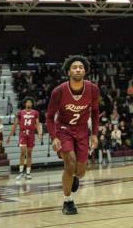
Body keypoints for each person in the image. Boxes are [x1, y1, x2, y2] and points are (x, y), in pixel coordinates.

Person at [46, 55, 101, 216]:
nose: (78, 69)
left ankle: (74, 178)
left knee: (81, 171)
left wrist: (95, 134)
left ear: (85, 71)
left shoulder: (92, 89)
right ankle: (68, 201)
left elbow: (96, 112)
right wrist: (54, 137)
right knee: (69, 163)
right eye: (75, 67)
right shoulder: (59, 91)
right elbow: (49, 116)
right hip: (64, 129)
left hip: (83, 130)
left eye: (81, 67)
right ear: (68, 71)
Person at [7, 98, 41, 180]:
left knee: (29, 153)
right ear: (25, 104)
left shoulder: (35, 113)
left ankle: (28, 172)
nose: (29, 103)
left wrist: (40, 133)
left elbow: (37, 123)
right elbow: (15, 124)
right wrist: (9, 136)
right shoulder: (20, 113)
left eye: (30, 102)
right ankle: (21, 172)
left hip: (31, 134)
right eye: (27, 102)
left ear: (32, 104)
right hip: (23, 134)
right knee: (23, 152)